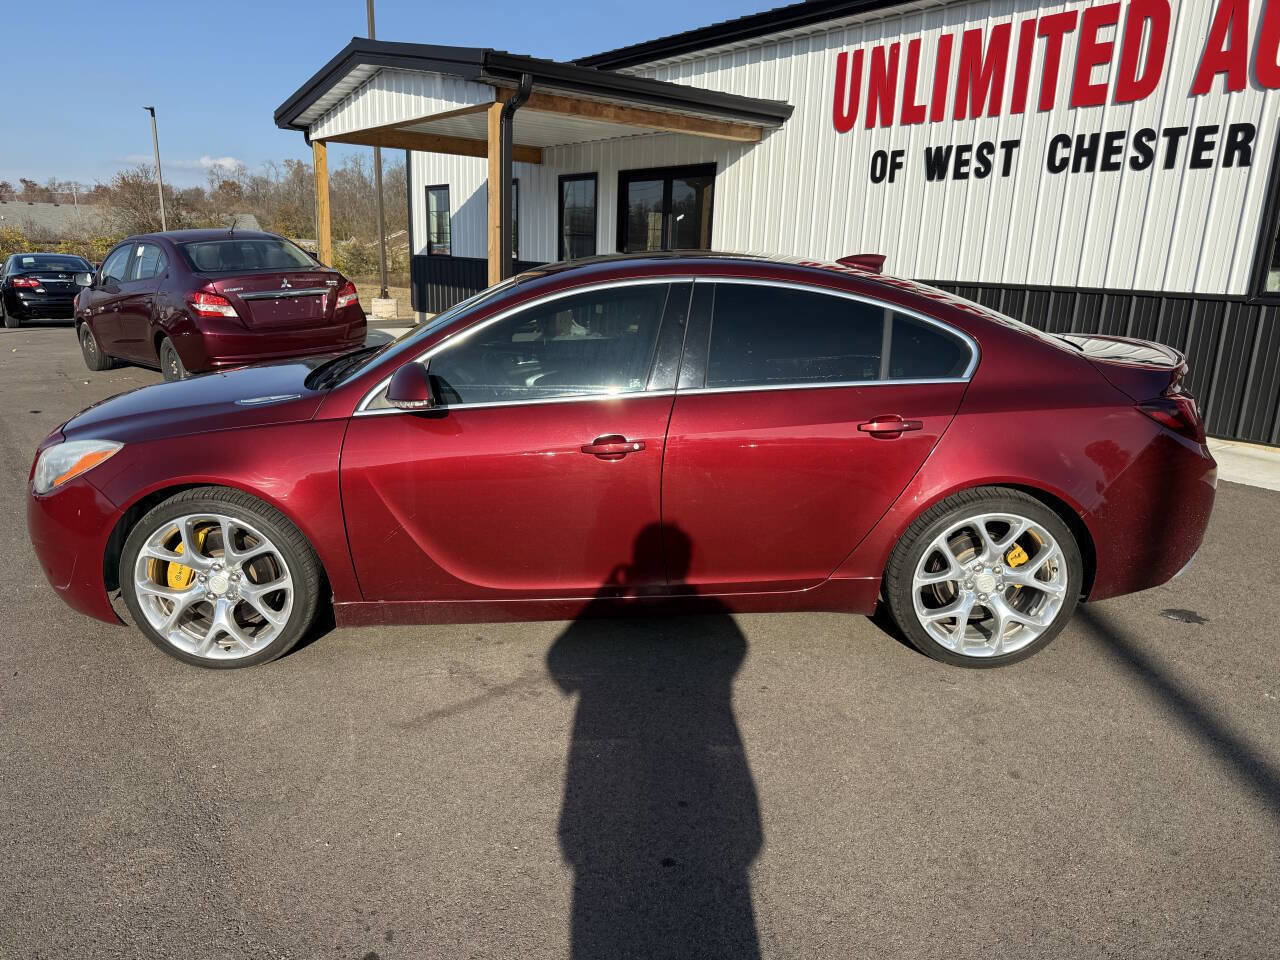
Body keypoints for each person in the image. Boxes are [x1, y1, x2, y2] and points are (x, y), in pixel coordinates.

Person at [546, 524, 763, 959]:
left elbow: (561, 669)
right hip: (718, 787)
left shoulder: (716, 615)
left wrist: (607, 591)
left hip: (597, 843)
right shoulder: (720, 615)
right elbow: (732, 658)